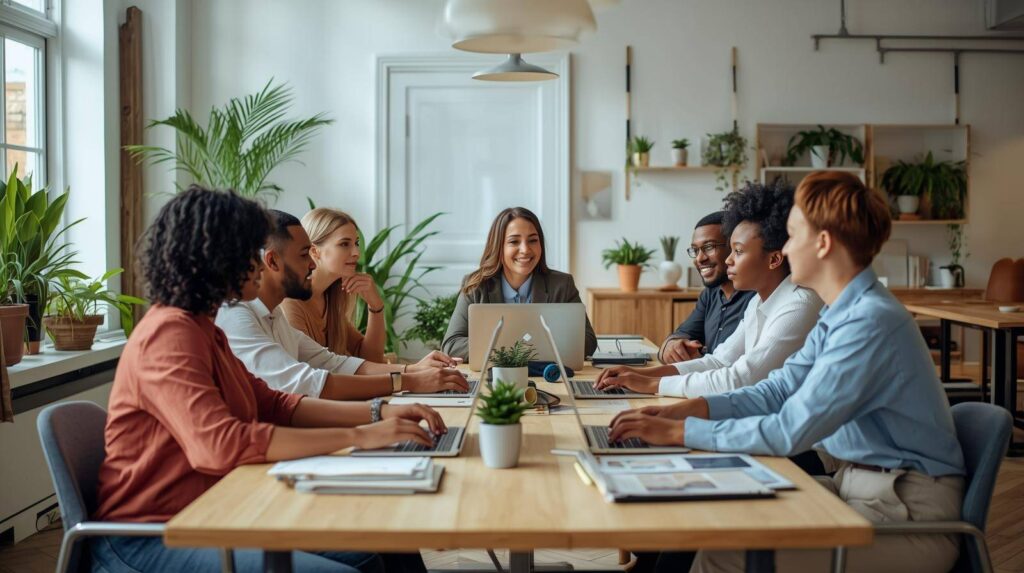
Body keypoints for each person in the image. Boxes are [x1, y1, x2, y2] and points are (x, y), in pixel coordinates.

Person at [609, 171, 966, 573]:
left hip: (905, 517)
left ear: (823, 244)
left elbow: (789, 429)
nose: (786, 247)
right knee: (711, 516)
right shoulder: (840, 313)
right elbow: (775, 391)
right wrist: (688, 410)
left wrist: (681, 431)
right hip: (856, 489)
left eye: (793, 235)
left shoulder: (868, 322)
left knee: (723, 554)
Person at [92, 187, 446, 573]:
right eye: (250, 254)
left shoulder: (204, 328)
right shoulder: (169, 334)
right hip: (156, 533)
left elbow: (275, 403)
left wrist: (380, 412)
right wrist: (359, 435)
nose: (260, 266)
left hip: (218, 511)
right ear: (217, 258)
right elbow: (220, 445)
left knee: (387, 544)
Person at [594, 181, 822, 397]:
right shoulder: (759, 302)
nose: (729, 260)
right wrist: (636, 373)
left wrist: (651, 384)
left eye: (738, 251)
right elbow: (718, 361)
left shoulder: (798, 306)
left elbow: (741, 378)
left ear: (774, 259)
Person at [217, 210, 469, 400]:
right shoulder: (242, 314)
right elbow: (307, 383)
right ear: (271, 261)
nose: (356, 253)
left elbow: (336, 363)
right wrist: (407, 382)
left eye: (356, 243)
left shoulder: (275, 315)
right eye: (305, 255)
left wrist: (412, 373)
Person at [441, 207, 597, 359]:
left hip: (548, 376)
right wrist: (517, 351)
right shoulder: (475, 286)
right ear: (498, 247)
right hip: (494, 378)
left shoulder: (562, 285)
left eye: (532, 240)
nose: (525, 249)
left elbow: (588, 341)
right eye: (514, 241)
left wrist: (506, 348)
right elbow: (452, 345)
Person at [280, 208, 389, 362]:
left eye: (356, 243)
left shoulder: (330, 300)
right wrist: (407, 373)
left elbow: (370, 358)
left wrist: (376, 305)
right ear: (315, 252)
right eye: (344, 244)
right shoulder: (290, 302)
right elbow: (310, 373)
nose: (356, 252)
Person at [658, 212, 756, 364]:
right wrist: (671, 346)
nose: (699, 258)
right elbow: (682, 334)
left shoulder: (758, 297)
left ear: (734, 247)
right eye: (695, 250)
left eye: (709, 247)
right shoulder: (710, 294)